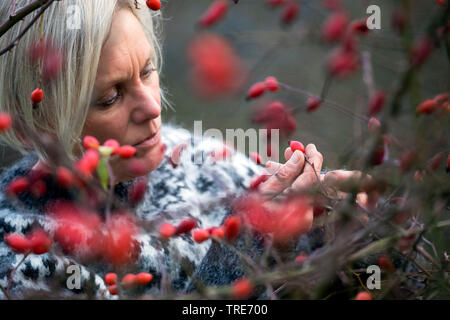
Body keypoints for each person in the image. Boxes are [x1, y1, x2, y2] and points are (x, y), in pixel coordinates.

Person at [0, 0, 371, 299]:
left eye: (147, 71)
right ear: (43, 121)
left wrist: (343, 241)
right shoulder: (23, 260)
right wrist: (247, 252)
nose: (152, 107)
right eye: (111, 96)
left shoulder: (201, 161)